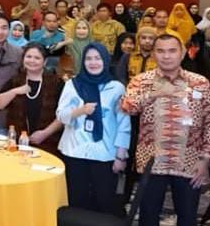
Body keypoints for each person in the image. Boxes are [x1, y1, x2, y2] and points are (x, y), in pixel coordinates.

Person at [122, 33, 210, 226]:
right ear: (154, 53)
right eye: (161, 51)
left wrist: (206, 159)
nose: (166, 56)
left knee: (187, 214)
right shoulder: (142, 80)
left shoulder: (199, 83)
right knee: (148, 212)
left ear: (182, 53)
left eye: (172, 51)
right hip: (151, 159)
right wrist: (154, 94)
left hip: (189, 161)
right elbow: (127, 107)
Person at [26, 43, 131, 215]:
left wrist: (121, 154)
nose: (93, 63)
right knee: (76, 199)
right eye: (88, 59)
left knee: (104, 200)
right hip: (74, 151)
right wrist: (79, 111)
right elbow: (61, 115)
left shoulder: (116, 88)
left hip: (105, 153)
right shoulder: (72, 85)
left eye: (97, 58)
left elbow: (124, 123)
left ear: (105, 60)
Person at [0, 43, 63, 152]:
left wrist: (45, 133)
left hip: (48, 142)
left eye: (37, 58)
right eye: (28, 57)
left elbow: (64, 115)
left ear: (44, 61)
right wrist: (15, 91)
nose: (32, 61)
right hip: (17, 142)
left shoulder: (56, 82)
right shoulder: (16, 80)